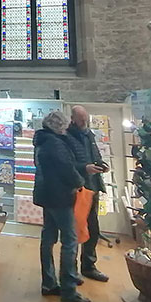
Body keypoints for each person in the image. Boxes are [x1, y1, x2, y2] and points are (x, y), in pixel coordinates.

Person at [33, 110, 91, 302]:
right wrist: (80, 181)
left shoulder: (42, 141)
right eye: (65, 125)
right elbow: (66, 169)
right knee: (70, 241)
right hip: (60, 196)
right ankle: (69, 290)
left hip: (47, 195)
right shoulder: (56, 143)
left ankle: (49, 282)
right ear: (59, 126)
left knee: (48, 238)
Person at [66, 105, 109, 283]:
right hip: (78, 189)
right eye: (81, 119)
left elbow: (95, 155)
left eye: (86, 119)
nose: (84, 122)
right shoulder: (67, 137)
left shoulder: (89, 135)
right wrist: (85, 168)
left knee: (93, 229)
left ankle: (89, 266)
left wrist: (101, 165)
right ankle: (71, 270)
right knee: (76, 230)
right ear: (73, 119)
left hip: (93, 187)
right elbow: (67, 164)